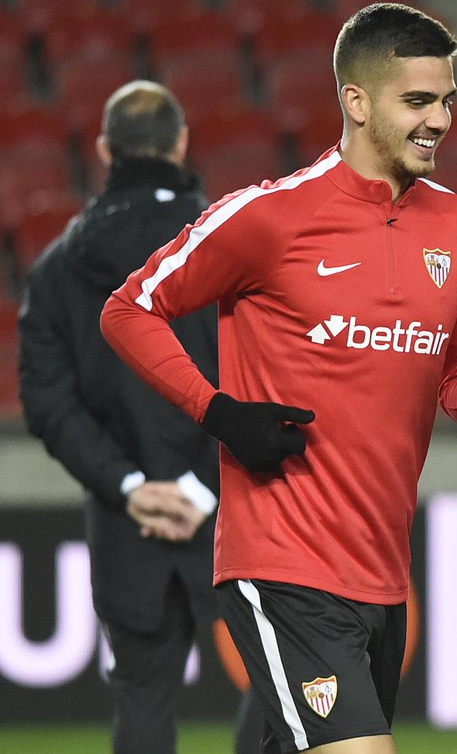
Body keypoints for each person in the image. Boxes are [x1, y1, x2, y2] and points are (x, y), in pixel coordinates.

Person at [100, 4, 457, 753]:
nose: (440, 121)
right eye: (418, 101)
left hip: (384, 573)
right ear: (356, 102)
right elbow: (129, 309)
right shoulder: (270, 216)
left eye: (447, 100)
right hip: (283, 560)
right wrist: (219, 410)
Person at [17, 80, 233, 753]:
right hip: (236, 516)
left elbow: (48, 401)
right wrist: (201, 484)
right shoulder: (236, 246)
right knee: (280, 685)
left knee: (141, 699)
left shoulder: (57, 267)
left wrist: (130, 486)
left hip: (124, 526)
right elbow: (271, 378)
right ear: (181, 143)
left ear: (107, 150)